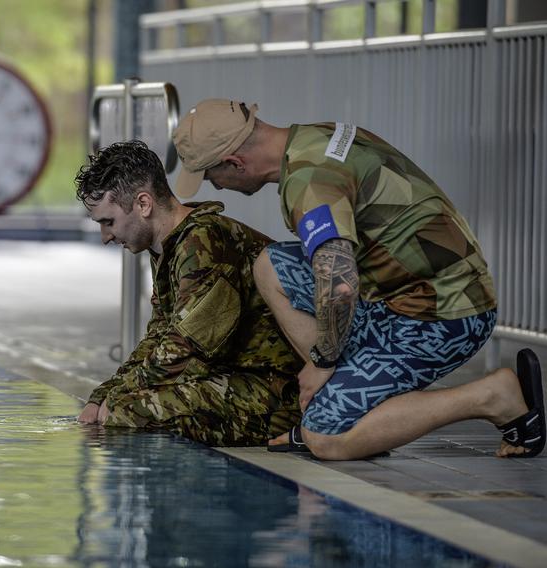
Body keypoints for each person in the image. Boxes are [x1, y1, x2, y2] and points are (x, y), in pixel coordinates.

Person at [170, 98, 544, 460]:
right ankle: (348, 397)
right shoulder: (315, 137)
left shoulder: (309, 183)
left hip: (443, 315)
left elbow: (341, 282)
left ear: (235, 162)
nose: (215, 188)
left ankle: (492, 396)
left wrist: (322, 360)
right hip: (426, 287)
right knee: (271, 266)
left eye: (210, 176)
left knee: (325, 437)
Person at [74, 140, 301, 446]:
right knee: (115, 407)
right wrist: (103, 394)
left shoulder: (203, 242)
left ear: (143, 204)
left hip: (278, 392)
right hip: (239, 379)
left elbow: (186, 349)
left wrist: (117, 398)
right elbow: (158, 338)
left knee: (130, 414)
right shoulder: (170, 248)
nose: (105, 236)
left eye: (108, 222)